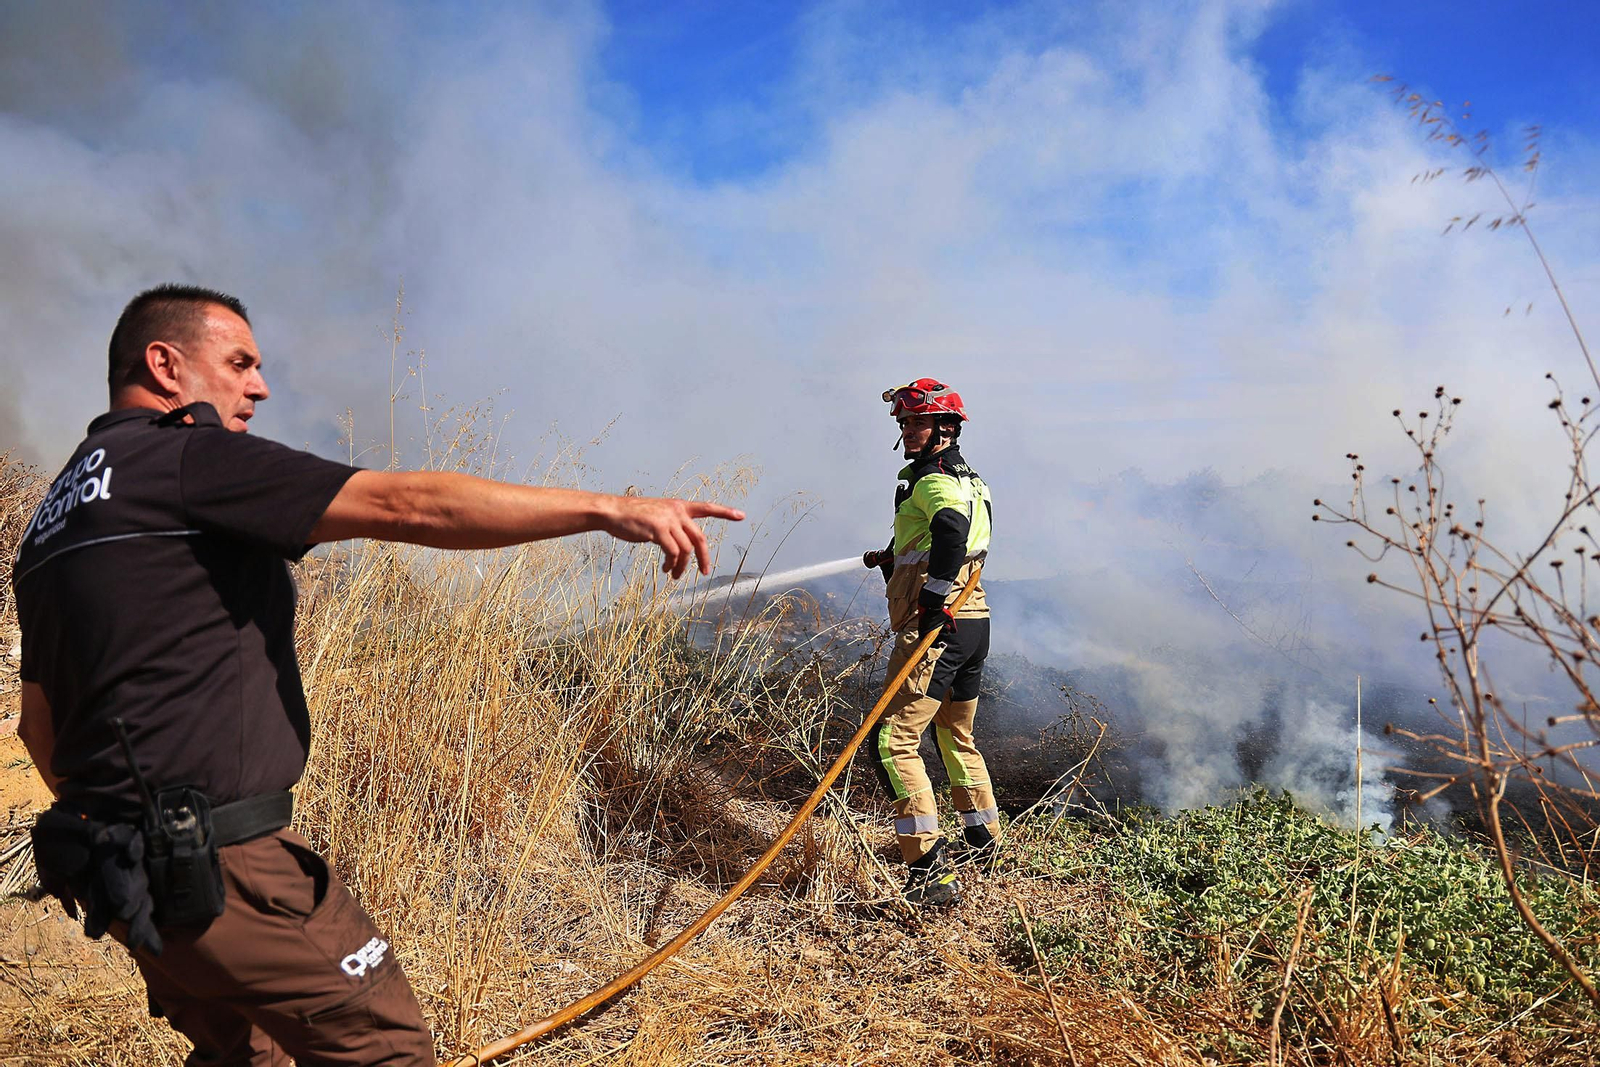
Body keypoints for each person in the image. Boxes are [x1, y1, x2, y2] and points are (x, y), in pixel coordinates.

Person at [14, 284, 744, 1066]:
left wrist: (131, 830)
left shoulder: (58, 516)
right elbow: (407, 504)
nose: (258, 386)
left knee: (249, 1054)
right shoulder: (188, 457)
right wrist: (608, 510)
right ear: (164, 363)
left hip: (123, 875)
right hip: (225, 867)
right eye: (238, 364)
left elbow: (39, 726)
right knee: (385, 1046)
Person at [861, 378, 995, 906]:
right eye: (902, 423)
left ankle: (929, 870)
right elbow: (958, 541)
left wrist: (933, 599)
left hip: (937, 630)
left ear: (946, 426)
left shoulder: (932, 481)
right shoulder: (972, 479)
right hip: (975, 622)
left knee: (891, 742)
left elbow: (950, 531)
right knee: (954, 734)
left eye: (916, 421)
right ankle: (984, 840)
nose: (907, 430)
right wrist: (895, 561)